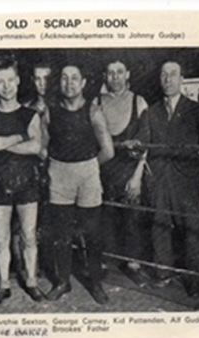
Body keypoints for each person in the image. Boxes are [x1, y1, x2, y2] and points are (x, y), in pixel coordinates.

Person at [137, 61, 199, 297]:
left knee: (192, 230)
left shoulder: (195, 110)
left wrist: (194, 171)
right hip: (159, 181)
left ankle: (194, 282)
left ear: (182, 79)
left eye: (173, 74)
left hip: (186, 182)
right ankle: (163, 275)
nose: (167, 79)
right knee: (159, 228)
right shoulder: (151, 111)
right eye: (163, 74)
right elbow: (143, 145)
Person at [44, 63, 114, 304]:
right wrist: (58, 167)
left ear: (83, 82)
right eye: (64, 78)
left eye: (75, 78)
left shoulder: (93, 111)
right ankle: (63, 282)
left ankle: (95, 282)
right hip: (59, 174)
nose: (69, 83)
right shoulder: (50, 111)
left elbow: (108, 151)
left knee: (92, 233)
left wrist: (88, 166)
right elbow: (43, 147)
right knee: (60, 233)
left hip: (87, 173)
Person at [0, 59, 44, 306]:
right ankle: (3, 286)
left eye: (10, 80)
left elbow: (36, 146)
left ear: (17, 81)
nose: (6, 86)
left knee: (28, 235)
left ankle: (31, 282)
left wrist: (2, 141)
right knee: (2, 237)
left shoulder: (31, 114)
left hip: (27, 182)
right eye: (0, 81)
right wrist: (20, 136)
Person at [93, 59, 152, 287]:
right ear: (105, 76)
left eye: (119, 72)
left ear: (127, 74)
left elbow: (146, 142)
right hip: (103, 170)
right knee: (103, 217)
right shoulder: (97, 103)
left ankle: (133, 265)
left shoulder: (139, 102)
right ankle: (104, 263)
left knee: (132, 219)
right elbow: (91, 142)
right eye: (110, 73)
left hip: (129, 170)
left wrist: (137, 176)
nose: (115, 77)